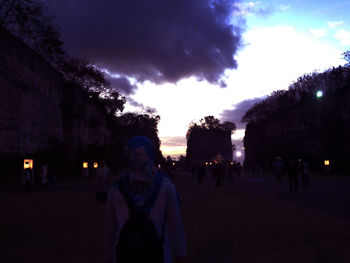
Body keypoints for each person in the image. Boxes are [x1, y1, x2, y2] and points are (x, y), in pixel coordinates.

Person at [107, 136, 186, 263]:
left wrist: (109, 256)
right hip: (159, 254)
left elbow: (111, 229)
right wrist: (180, 254)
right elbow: (175, 226)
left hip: (124, 255)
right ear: (151, 155)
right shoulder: (166, 186)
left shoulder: (115, 189)